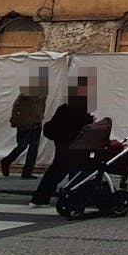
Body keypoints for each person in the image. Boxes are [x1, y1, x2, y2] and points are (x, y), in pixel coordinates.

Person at [30, 74, 96, 207]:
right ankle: (76, 197)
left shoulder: (65, 106)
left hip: (61, 144)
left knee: (56, 171)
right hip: (72, 144)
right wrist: (91, 120)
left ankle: (40, 198)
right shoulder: (80, 107)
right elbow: (79, 124)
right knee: (76, 170)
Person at [0, 77, 46, 179]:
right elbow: (16, 105)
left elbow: (42, 106)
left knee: (33, 148)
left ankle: (27, 172)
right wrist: (15, 120)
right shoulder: (27, 92)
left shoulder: (43, 94)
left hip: (36, 123)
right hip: (25, 124)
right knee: (22, 146)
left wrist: (40, 116)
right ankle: (6, 161)